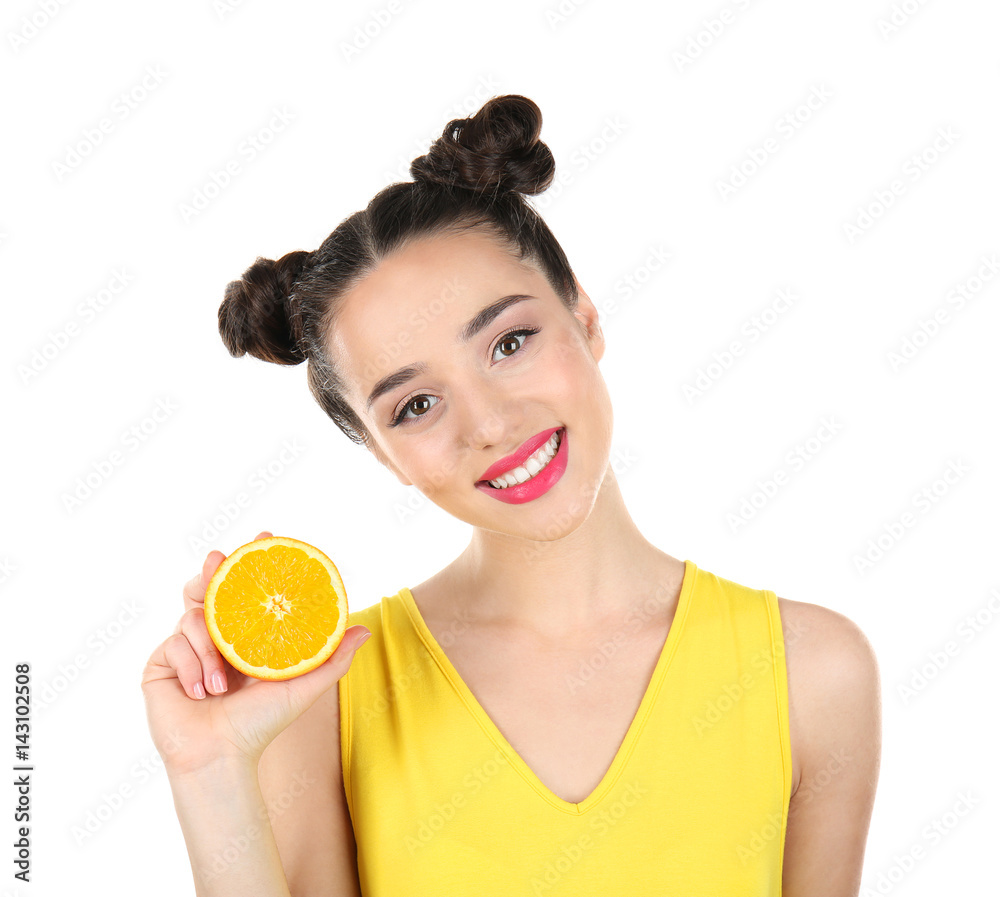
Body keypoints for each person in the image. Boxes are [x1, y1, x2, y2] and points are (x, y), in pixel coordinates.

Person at [142, 94, 881, 896]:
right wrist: (210, 772)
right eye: (415, 405)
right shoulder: (323, 693)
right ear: (383, 455)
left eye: (509, 340)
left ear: (585, 316)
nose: (490, 423)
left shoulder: (811, 672)